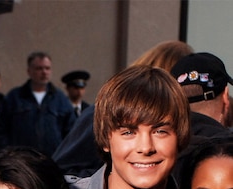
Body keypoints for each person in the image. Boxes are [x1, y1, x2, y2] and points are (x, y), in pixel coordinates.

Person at [53, 40, 194, 177]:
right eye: (128, 132)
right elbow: (61, 169)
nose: (146, 148)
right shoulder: (102, 113)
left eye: (160, 131)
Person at [5, 51, 75, 156]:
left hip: (52, 159)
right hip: (22, 159)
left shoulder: (60, 99)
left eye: (47, 68)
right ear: (29, 71)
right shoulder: (15, 97)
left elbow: (71, 131)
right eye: (39, 68)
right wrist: (9, 153)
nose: (44, 72)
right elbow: (0, 129)